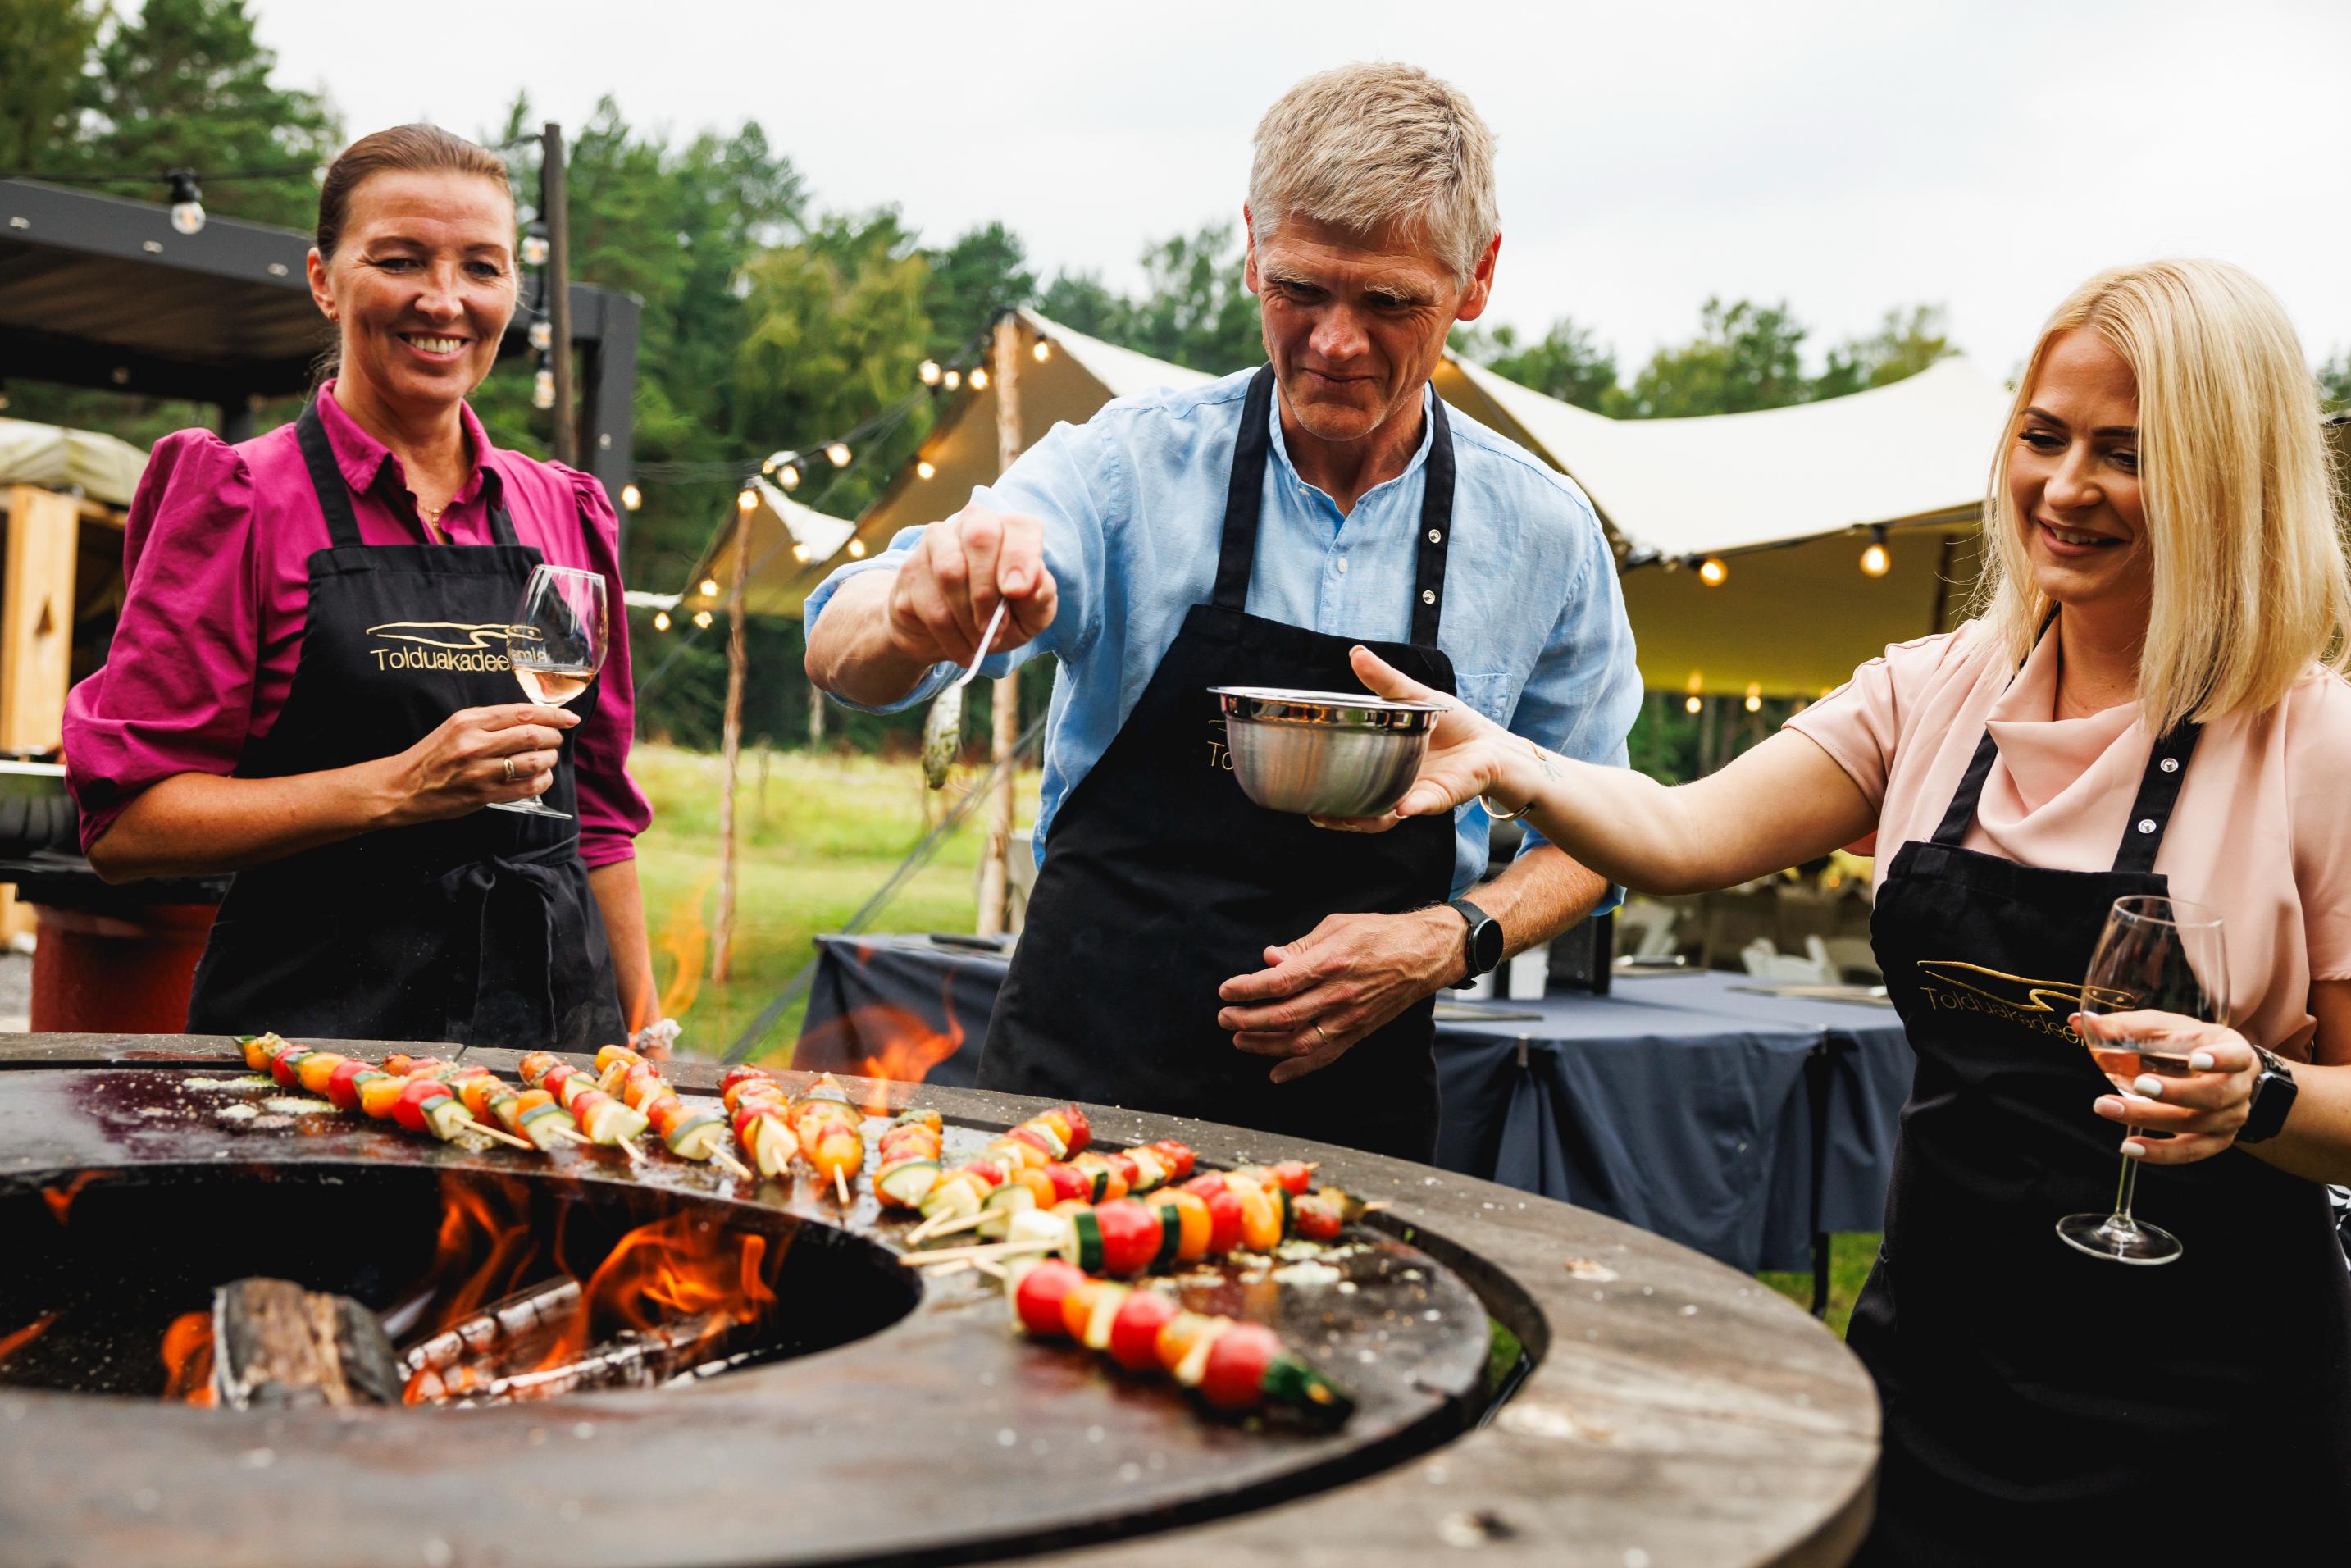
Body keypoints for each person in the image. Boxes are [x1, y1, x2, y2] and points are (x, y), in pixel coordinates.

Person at [1326, 258, 2351, 1556]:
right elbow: (1688, 835)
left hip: (2206, 1408)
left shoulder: (2313, 745)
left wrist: (2254, 1093)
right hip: (1935, 1363)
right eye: (2041, 437)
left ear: (2223, 476)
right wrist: (1512, 760)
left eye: (2124, 454)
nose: (2065, 486)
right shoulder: (1925, 693)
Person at [805, 63, 1640, 1160]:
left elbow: (1600, 827)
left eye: (1388, 302)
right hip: (1074, 1108)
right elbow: (837, 643)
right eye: (1298, 290)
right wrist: (914, 615)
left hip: (1355, 1129)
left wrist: (1445, 938)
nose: (1335, 342)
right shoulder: (1129, 468)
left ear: (1474, 279)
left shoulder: (1541, 535)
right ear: (1250, 246)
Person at [64, 125, 663, 1055]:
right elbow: (129, 826)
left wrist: (646, 1030)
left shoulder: (565, 513)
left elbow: (601, 819)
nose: (445, 299)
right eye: (400, 259)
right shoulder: (242, 500)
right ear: (323, 279)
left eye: (482, 267)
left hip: (546, 1057)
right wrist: (396, 786)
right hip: (312, 1060)